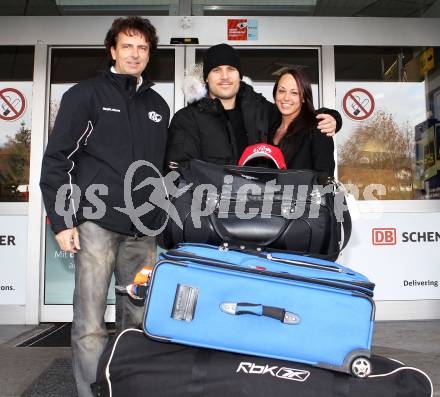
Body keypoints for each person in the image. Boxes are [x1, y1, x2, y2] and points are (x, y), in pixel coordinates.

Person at [40, 17, 169, 397]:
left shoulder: (158, 105)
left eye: (142, 47)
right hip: (94, 225)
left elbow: (160, 172)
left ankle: (127, 387)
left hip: (142, 232)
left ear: (149, 55)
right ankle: (92, 392)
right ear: (112, 51)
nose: (135, 53)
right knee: (91, 321)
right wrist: (63, 222)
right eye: (127, 46)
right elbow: (57, 160)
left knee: (138, 318)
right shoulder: (85, 95)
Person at [166, 43, 341, 168]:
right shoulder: (187, 119)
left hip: (261, 213)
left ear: (239, 75)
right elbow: (180, 173)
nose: (225, 76)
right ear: (206, 77)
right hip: (212, 215)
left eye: (231, 69)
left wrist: (332, 117)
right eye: (216, 70)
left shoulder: (260, 110)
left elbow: (296, 113)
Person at [270, 68, 335, 176]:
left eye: (294, 93)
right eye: (281, 91)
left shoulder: (317, 129)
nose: (286, 98)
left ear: (303, 98)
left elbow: (325, 179)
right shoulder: (269, 127)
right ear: (275, 94)